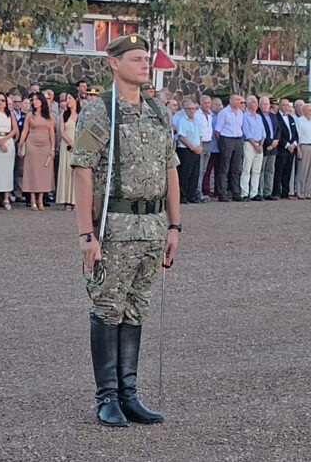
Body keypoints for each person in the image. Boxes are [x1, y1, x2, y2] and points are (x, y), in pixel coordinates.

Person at [70, 34, 180, 427]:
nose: (144, 64)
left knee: (135, 309)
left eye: (145, 58)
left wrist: (175, 224)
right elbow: (82, 171)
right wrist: (87, 234)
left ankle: (129, 393)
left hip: (151, 225)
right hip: (114, 226)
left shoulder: (157, 111)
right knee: (107, 308)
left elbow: (171, 167)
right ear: (113, 63)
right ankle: (107, 397)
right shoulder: (100, 111)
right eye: (136, 59)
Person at [18, 93, 55, 209]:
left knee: (43, 172)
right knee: (32, 171)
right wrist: (21, 144)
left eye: (37, 100)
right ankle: (32, 198)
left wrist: (52, 148)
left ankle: (41, 199)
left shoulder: (48, 116)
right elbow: (24, 131)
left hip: (45, 145)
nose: (35, 102)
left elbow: (52, 134)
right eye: (33, 100)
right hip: (32, 144)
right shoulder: (30, 115)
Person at [0, 92, 18, 210]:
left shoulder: (10, 113)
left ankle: (6, 197)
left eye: (2, 100)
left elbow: (15, 129)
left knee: (7, 170)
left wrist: (5, 139)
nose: (0, 102)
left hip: (8, 140)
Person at [214, 94, 244, 201]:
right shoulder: (224, 113)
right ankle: (222, 193)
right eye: (237, 100)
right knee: (224, 167)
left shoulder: (240, 113)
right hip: (227, 139)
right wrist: (222, 143)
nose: (239, 102)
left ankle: (235, 192)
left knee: (236, 168)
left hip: (238, 139)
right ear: (231, 100)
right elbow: (217, 130)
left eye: (240, 100)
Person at [175, 100, 202, 203]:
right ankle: (183, 196)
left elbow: (200, 136)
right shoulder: (182, 120)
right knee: (185, 174)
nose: (192, 111)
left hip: (196, 150)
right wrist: (193, 148)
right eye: (189, 109)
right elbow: (182, 137)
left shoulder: (196, 121)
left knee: (195, 174)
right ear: (185, 110)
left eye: (193, 109)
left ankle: (192, 195)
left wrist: (200, 147)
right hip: (185, 150)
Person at [56, 93, 79, 209]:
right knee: (66, 172)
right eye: (66, 99)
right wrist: (71, 143)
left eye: (70, 98)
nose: (68, 101)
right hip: (67, 145)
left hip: (78, 145)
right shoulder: (64, 115)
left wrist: (77, 144)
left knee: (76, 173)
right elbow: (62, 131)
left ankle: (75, 200)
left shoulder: (81, 114)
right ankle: (66, 200)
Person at [240, 95, 265, 201]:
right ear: (249, 104)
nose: (256, 104)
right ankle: (244, 193)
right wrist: (255, 145)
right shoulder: (245, 116)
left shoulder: (259, 117)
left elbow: (263, 132)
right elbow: (247, 132)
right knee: (246, 169)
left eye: (256, 102)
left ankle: (254, 193)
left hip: (259, 144)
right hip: (250, 144)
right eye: (254, 102)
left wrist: (261, 145)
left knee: (256, 171)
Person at [274, 99, 298, 199]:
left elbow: (295, 133)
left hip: (291, 149)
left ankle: (285, 192)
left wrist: (294, 144)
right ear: (279, 106)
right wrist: (287, 145)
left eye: (287, 105)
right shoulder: (276, 117)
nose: (285, 107)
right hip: (282, 149)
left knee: (288, 172)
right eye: (283, 105)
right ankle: (276, 192)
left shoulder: (291, 118)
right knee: (279, 171)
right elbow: (278, 133)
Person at [295, 103, 311, 199]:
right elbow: (297, 136)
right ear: (304, 111)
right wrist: (299, 150)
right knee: (303, 170)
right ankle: (300, 192)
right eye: (309, 110)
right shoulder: (300, 121)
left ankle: (308, 192)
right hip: (304, 146)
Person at [257, 96, 279, 200]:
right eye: (264, 104)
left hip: (274, 146)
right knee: (261, 170)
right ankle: (260, 191)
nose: (266, 106)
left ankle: (268, 191)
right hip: (264, 145)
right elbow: (261, 132)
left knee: (270, 170)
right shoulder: (258, 116)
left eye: (267, 104)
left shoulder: (273, 116)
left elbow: (278, 129)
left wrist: (276, 141)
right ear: (260, 105)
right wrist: (270, 143)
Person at [201, 97, 223, 198]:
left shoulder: (222, 116)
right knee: (207, 170)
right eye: (216, 104)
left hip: (220, 147)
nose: (218, 107)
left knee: (219, 170)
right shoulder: (209, 116)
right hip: (210, 146)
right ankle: (206, 189)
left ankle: (217, 190)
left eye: (220, 105)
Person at [194, 95, 213, 202]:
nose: (207, 105)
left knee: (204, 170)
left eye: (209, 103)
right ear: (201, 103)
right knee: (199, 169)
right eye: (205, 103)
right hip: (200, 143)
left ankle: (199, 190)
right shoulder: (197, 115)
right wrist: (199, 145)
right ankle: (198, 192)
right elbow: (198, 131)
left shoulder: (209, 116)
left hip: (208, 143)